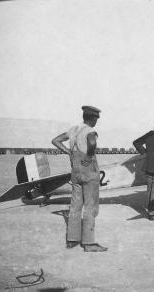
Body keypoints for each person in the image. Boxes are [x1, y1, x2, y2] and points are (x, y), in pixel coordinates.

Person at [51, 106, 107, 252]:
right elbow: (92, 144)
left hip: (75, 171)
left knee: (75, 206)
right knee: (90, 206)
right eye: (96, 119)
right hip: (89, 172)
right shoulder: (90, 130)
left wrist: (69, 152)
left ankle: (72, 240)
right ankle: (89, 243)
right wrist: (88, 159)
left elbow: (55, 140)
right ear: (92, 118)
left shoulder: (73, 129)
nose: (96, 121)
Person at [133, 117, 154, 221]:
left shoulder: (149, 134)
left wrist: (144, 152)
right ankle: (153, 214)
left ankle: (151, 210)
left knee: (150, 190)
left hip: (148, 166)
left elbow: (136, 142)